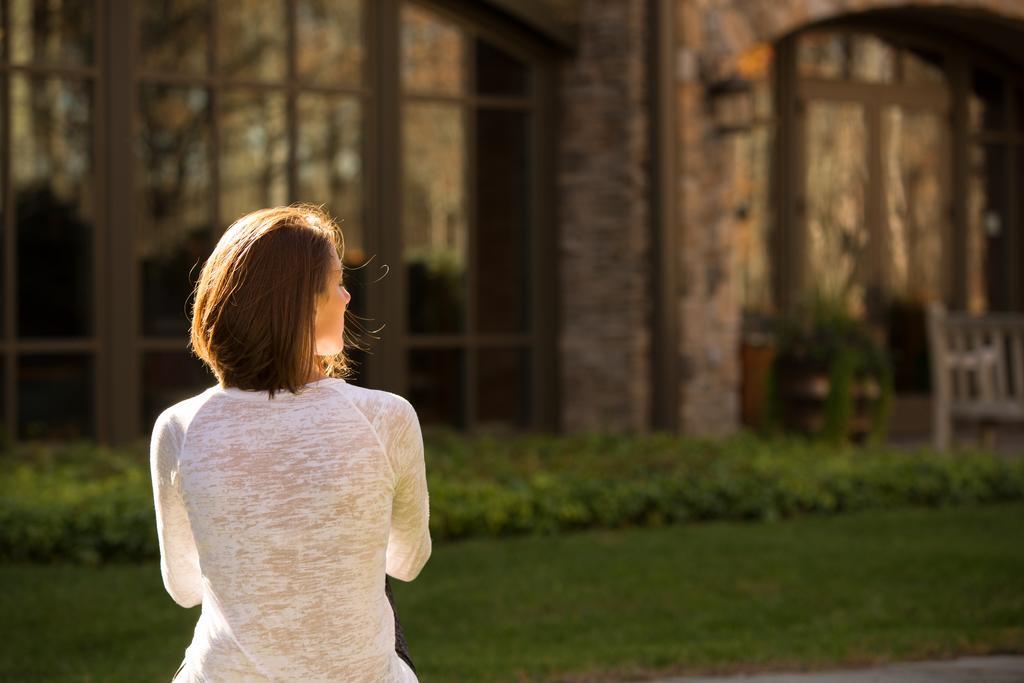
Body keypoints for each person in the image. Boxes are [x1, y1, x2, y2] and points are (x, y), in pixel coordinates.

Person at [150, 205, 431, 682]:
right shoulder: (386, 418)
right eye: (336, 283)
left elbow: (184, 587)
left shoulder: (179, 427)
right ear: (300, 305)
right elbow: (406, 561)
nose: (346, 296)